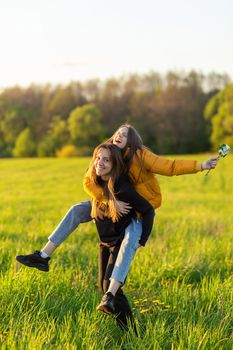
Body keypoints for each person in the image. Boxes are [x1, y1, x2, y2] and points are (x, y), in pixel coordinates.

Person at [16, 124, 218, 303]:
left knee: (130, 240)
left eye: (124, 133)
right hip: (110, 206)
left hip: (136, 210)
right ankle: (43, 256)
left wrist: (201, 166)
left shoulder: (139, 154)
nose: (119, 135)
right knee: (77, 210)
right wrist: (109, 201)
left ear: (131, 140)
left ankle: (111, 295)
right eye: (117, 133)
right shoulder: (105, 154)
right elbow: (88, 181)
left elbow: (169, 166)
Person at [89, 143, 154, 331]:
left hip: (119, 242)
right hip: (105, 243)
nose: (100, 163)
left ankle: (130, 333)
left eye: (106, 160)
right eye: (98, 158)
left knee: (111, 287)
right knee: (104, 287)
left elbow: (148, 210)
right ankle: (126, 329)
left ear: (115, 164)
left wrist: (141, 240)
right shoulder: (96, 184)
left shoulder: (123, 188)